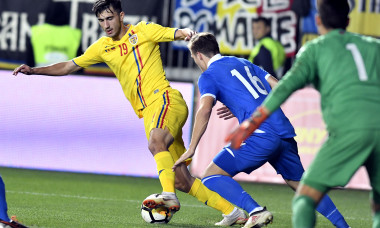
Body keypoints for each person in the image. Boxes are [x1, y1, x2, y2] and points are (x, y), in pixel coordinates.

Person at [12, 0, 246, 226]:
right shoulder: (102, 47)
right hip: (149, 113)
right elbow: (69, 65)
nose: (106, 24)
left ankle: (167, 195)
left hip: (165, 100)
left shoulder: (143, 31)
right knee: (182, 179)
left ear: (121, 16)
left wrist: (184, 32)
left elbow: (172, 32)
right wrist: (33, 70)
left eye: (110, 18)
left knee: (156, 142)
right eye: (101, 20)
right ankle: (232, 212)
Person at [227, 0, 380, 227]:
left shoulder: (314, 49)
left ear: (318, 21)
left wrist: (250, 124)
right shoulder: (373, 46)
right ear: (348, 21)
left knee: (305, 199)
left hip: (349, 132)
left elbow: (282, 89)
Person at [173, 32, 350, 228]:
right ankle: (344, 226)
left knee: (211, 176)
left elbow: (205, 110)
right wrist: (245, 104)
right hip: (283, 131)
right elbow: (277, 86)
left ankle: (256, 211)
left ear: (199, 55)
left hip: (261, 135)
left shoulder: (208, 75)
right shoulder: (243, 62)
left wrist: (191, 148)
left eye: (193, 57)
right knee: (302, 185)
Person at [27, 2, 82, 67]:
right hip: (67, 76)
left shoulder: (35, 32)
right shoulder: (75, 34)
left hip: (40, 75)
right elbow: (80, 65)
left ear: (47, 14)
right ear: (66, 15)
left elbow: (29, 63)